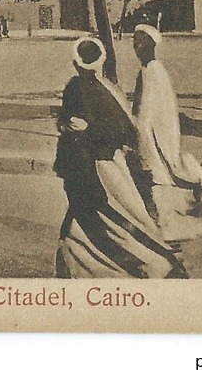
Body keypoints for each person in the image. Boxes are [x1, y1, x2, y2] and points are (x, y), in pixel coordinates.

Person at [54, 36, 187, 279]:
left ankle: (149, 263)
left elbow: (106, 128)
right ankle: (72, 263)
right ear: (99, 61)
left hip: (90, 167)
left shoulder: (76, 87)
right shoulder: (108, 88)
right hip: (106, 166)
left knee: (99, 219)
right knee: (102, 216)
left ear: (76, 62)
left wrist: (81, 127)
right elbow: (125, 128)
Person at [131, 24, 202, 241]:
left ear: (152, 46)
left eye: (142, 43)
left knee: (158, 176)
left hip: (153, 137)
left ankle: (162, 223)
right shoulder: (148, 70)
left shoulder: (153, 72)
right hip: (150, 135)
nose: (137, 47)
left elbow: (147, 112)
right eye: (135, 42)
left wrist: (140, 134)